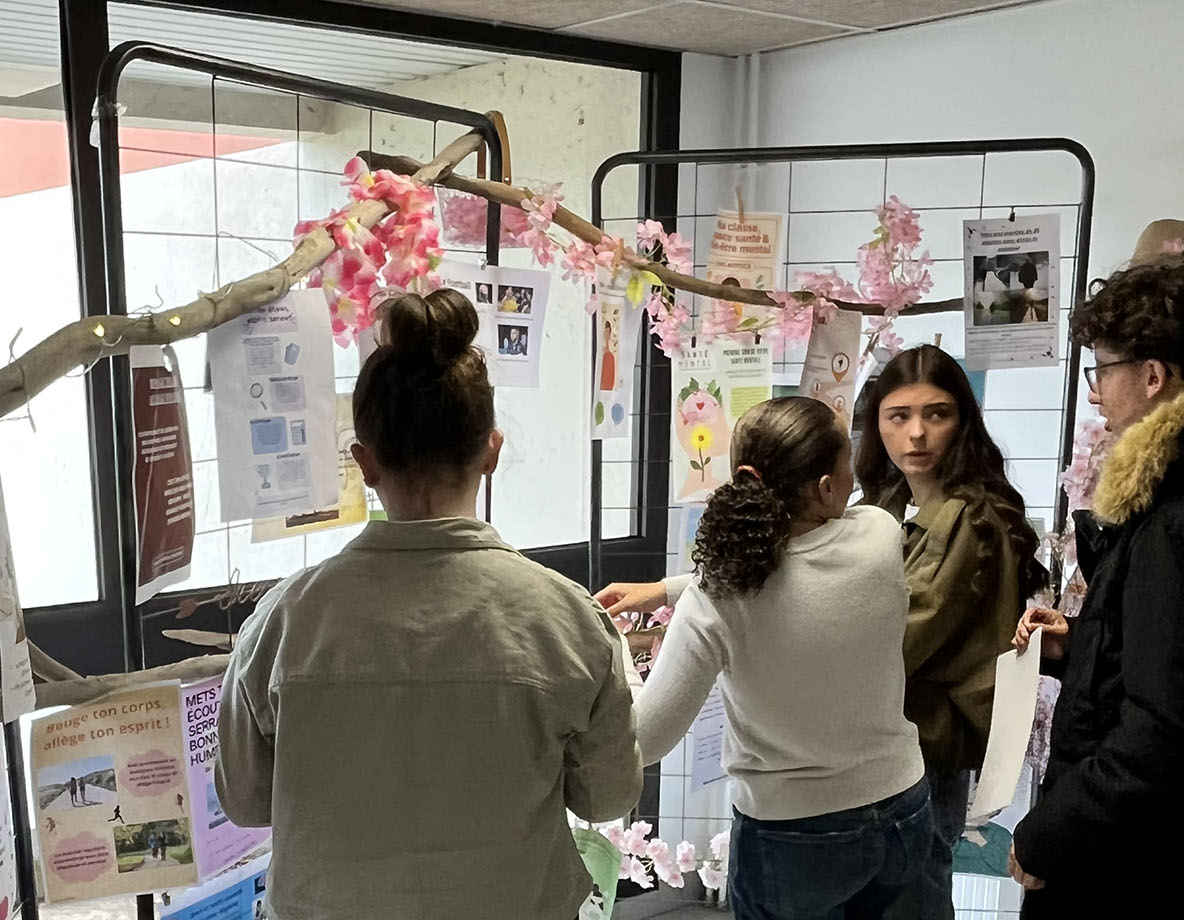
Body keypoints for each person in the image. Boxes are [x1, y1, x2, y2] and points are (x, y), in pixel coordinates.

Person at [215, 289, 641, 920]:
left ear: (363, 463)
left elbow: (247, 803)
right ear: (491, 450)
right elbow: (607, 798)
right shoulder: (569, 619)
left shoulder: (283, 622)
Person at [597, 397, 929, 920]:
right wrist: (666, 591)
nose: (853, 481)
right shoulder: (879, 536)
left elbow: (645, 741)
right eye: (848, 466)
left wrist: (614, 647)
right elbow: (808, 572)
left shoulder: (718, 597)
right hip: (903, 810)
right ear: (825, 488)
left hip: (794, 838)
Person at [1009, 256, 1184, 916]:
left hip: (1124, 864)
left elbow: (1158, 733)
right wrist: (1083, 641)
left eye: (1101, 371)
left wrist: (1046, 834)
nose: (1093, 394)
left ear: (1151, 377)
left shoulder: (1170, 520)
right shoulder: (1160, 502)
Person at [855, 344, 1045, 919]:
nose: (917, 433)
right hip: (881, 744)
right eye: (899, 416)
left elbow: (904, 635)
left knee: (911, 894)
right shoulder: (887, 505)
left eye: (936, 414)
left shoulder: (972, 517)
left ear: (962, 421)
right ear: (878, 426)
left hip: (925, 750)